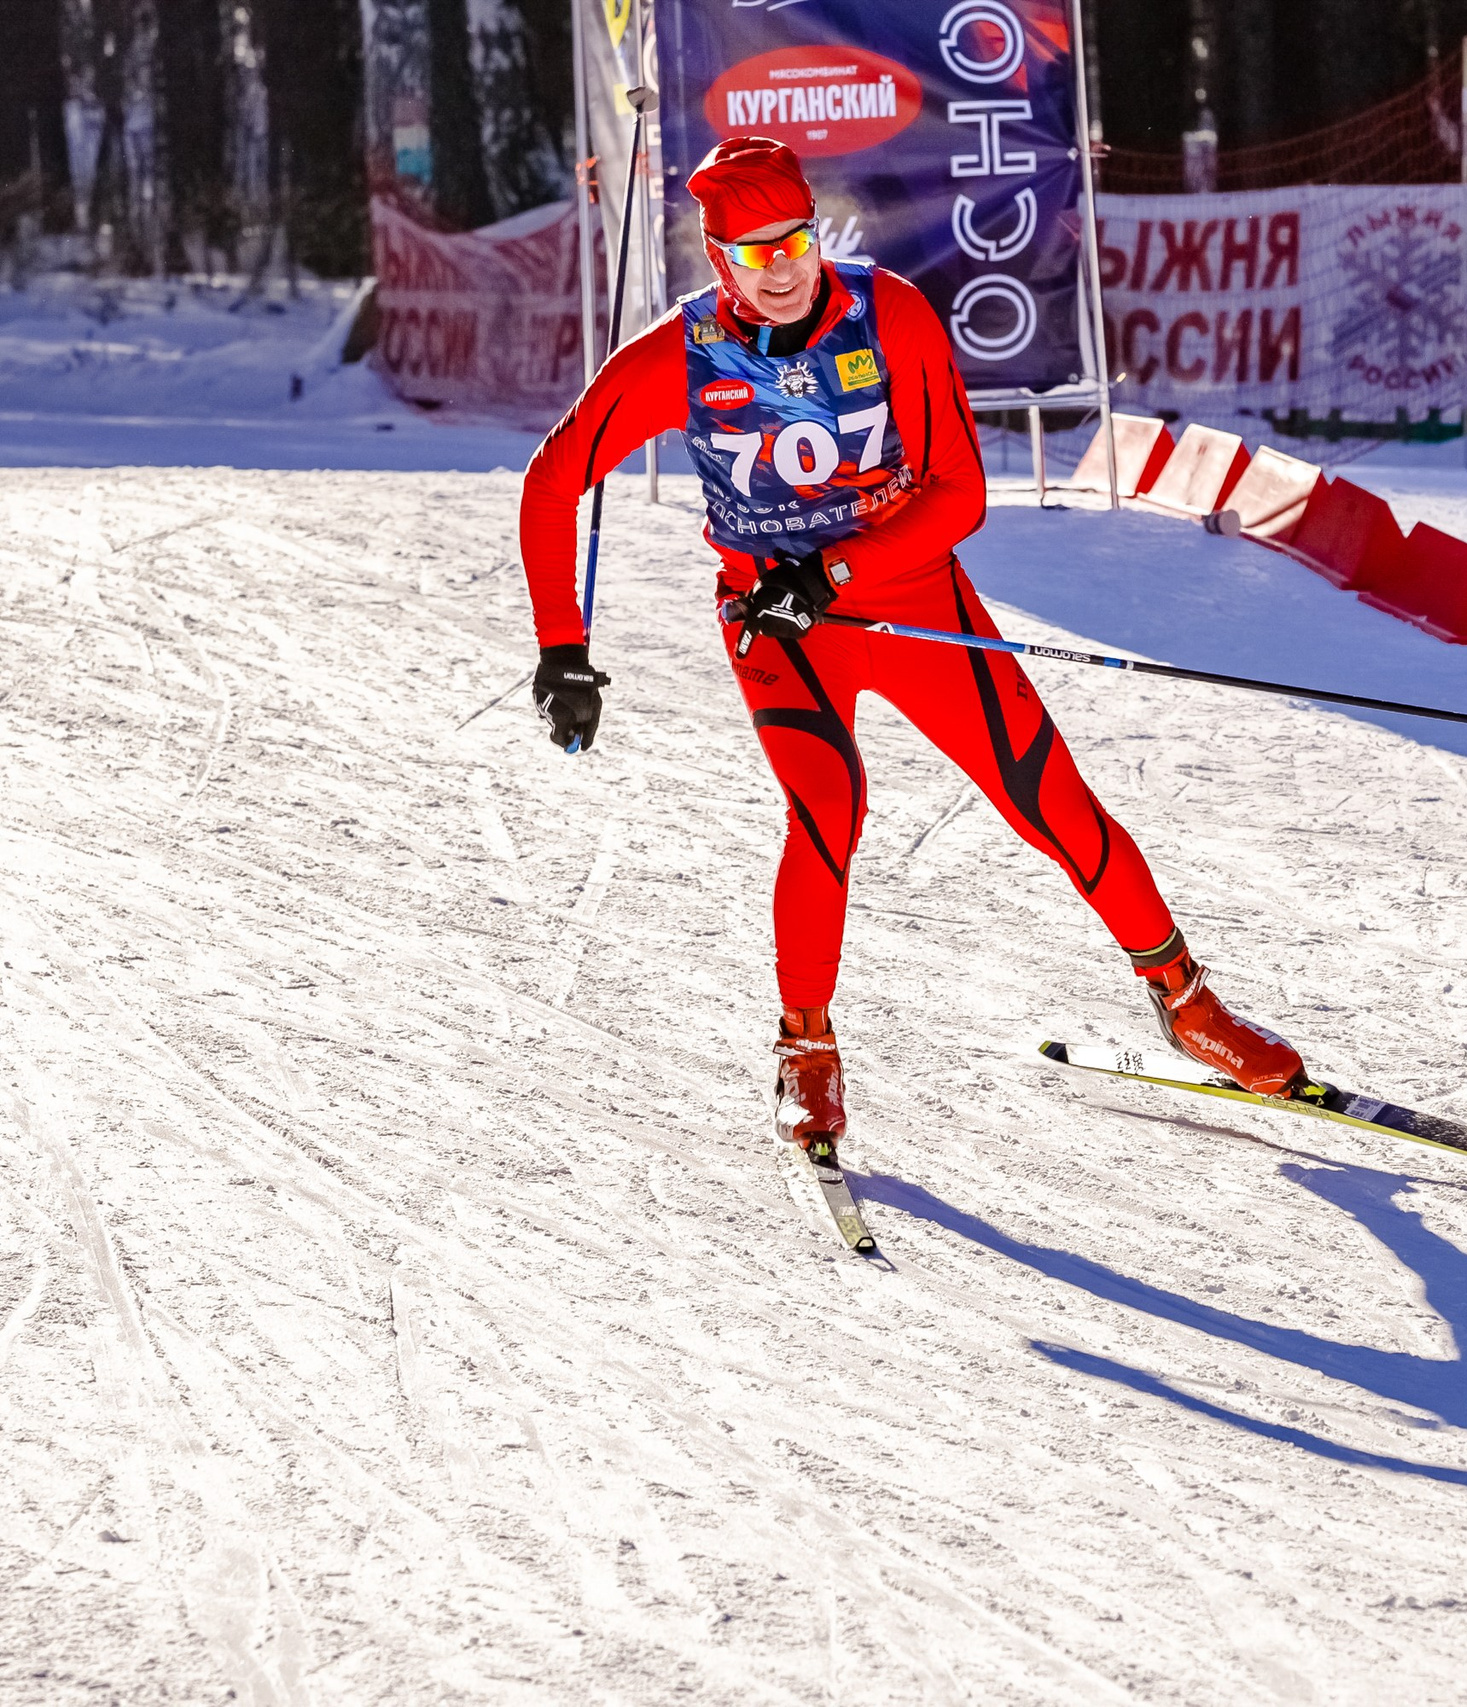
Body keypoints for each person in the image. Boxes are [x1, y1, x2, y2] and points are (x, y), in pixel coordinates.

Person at [517, 136, 1306, 1158]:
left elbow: (960, 493)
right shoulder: (681, 354)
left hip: (910, 596)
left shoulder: (884, 313)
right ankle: (805, 1049)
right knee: (827, 808)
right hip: (780, 626)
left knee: (1049, 797)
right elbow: (553, 481)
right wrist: (562, 650)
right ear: (719, 260)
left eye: (795, 239)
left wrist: (834, 572)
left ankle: (1186, 1000)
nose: (783, 266)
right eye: (755, 252)